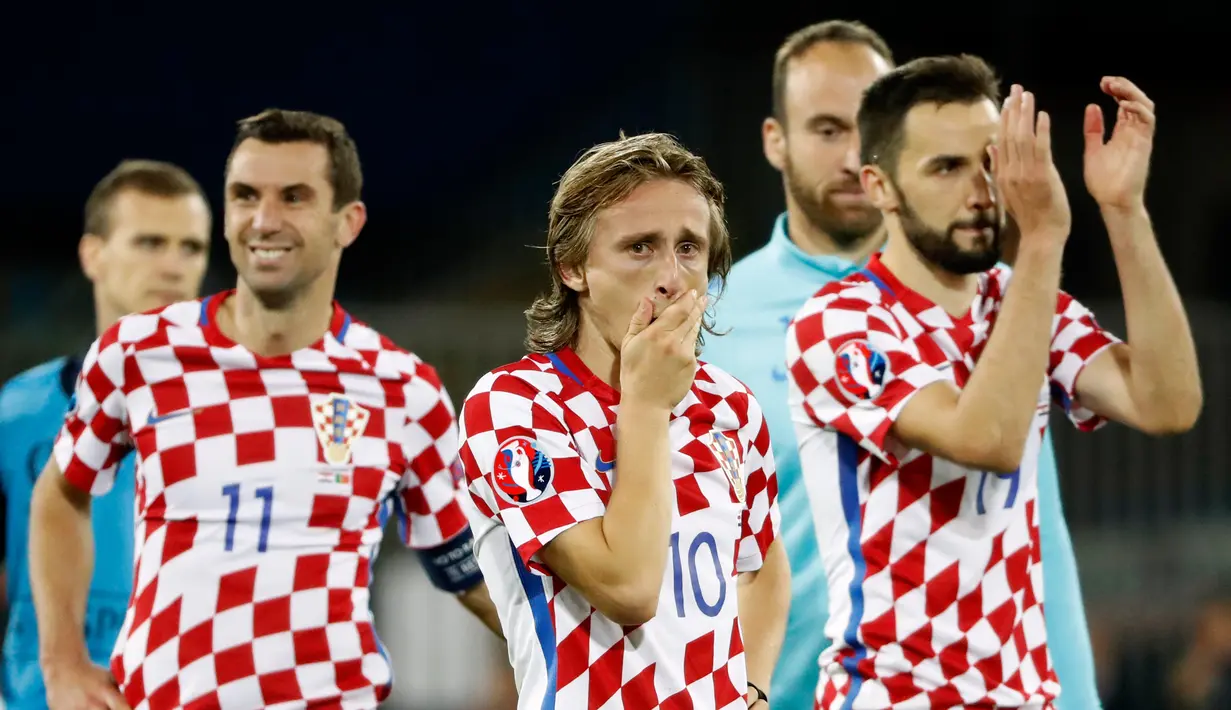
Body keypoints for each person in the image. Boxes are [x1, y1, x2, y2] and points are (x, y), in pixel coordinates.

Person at [27, 109, 502, 710]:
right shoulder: (139, 353)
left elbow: (468, 572)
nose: (263, 220)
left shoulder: (403, 391)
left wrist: (600, 663)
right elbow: (60, 493)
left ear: (347, 222)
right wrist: (62, 663)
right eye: (245, 195)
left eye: (294, 198)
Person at [704, 20, 1107, 709]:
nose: (856, 151)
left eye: (871, 123)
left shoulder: (1007, 292)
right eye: (827, 128)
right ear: (775, 140)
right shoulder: (711, 323)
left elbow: (1160, 402)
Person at [786, 55, 1201, 708]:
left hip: (1022, 695)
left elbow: (1166, 403)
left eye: (989, 161)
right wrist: (1040, 240)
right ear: (878, 187)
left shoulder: (1023, 302)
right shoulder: (838, 323)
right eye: (946, 168)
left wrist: (1122, 210)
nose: (981, 190)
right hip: (894, 696)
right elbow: (987, 437)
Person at [458, 132, 791, 709]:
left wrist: (753, 691)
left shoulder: (729, 405)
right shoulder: (516, 406)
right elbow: (628, 588)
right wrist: (645, 405)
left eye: (689, 247)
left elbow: (761, 562)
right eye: (640, 247)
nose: (672, 275)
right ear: (572, 268)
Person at [0, 160, 212, 710]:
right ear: (92, 255)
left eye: (191, 247)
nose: (173, 265)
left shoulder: (244, 417)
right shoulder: (16, 413)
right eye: (150, 242)